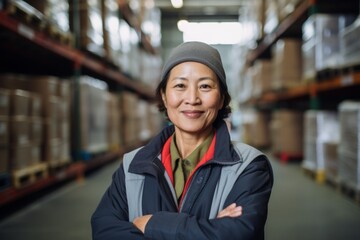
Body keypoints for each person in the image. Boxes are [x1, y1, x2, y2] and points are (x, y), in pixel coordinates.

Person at [91, 41, 274, 240]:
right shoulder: (132, 166)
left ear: (221, 98)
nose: (192, 98)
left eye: (205, 86)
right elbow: (104, 230)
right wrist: (209, 229)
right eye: (180, 85)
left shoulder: (249, 166)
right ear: (163, 96)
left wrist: (152, 224)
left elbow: (239, 234)